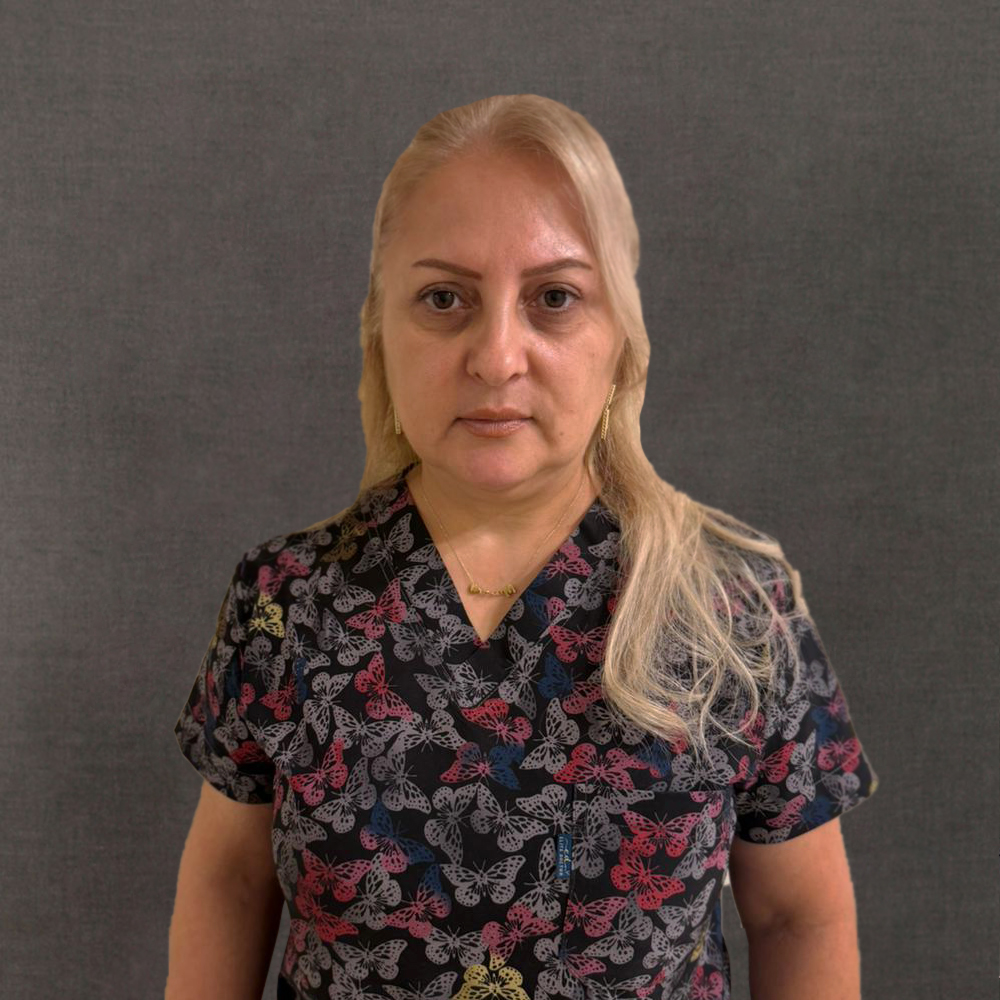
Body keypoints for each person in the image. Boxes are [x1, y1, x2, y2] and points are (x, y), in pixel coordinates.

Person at [168, 94, 878, 1000]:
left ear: (620, 338)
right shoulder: (286, 603)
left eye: (554, 299)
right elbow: (231, 883)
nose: (497, 357)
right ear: (381, 329)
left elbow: (799, 916)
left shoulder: (732, 611)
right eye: (444, 299)